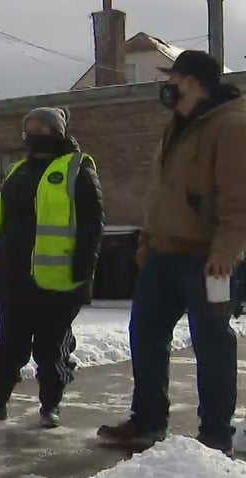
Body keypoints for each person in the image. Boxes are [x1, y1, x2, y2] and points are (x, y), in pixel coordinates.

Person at [98, 50, 246, 455]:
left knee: (212, 341)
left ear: (194, 81)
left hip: (207, 258)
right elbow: (160, 192)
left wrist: (226, 250)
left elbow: (239, 197)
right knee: (145, 333)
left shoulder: (232, 125)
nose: (166, 85)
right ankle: (147, 420)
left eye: (173, 77)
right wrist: (146, 241)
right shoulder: (176, 126)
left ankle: (215, 434)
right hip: (163, 255)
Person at [0, 106, 105, 429]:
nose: (34, 136)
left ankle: (50, 406)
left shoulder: (77, 168)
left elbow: (92, 224)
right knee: (9, 346)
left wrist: (82, 274)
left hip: (57, 281)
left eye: (42, 129)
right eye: (29, 129)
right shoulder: (17, 170)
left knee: (50, 348)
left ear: (58, 132)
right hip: (14, 276)